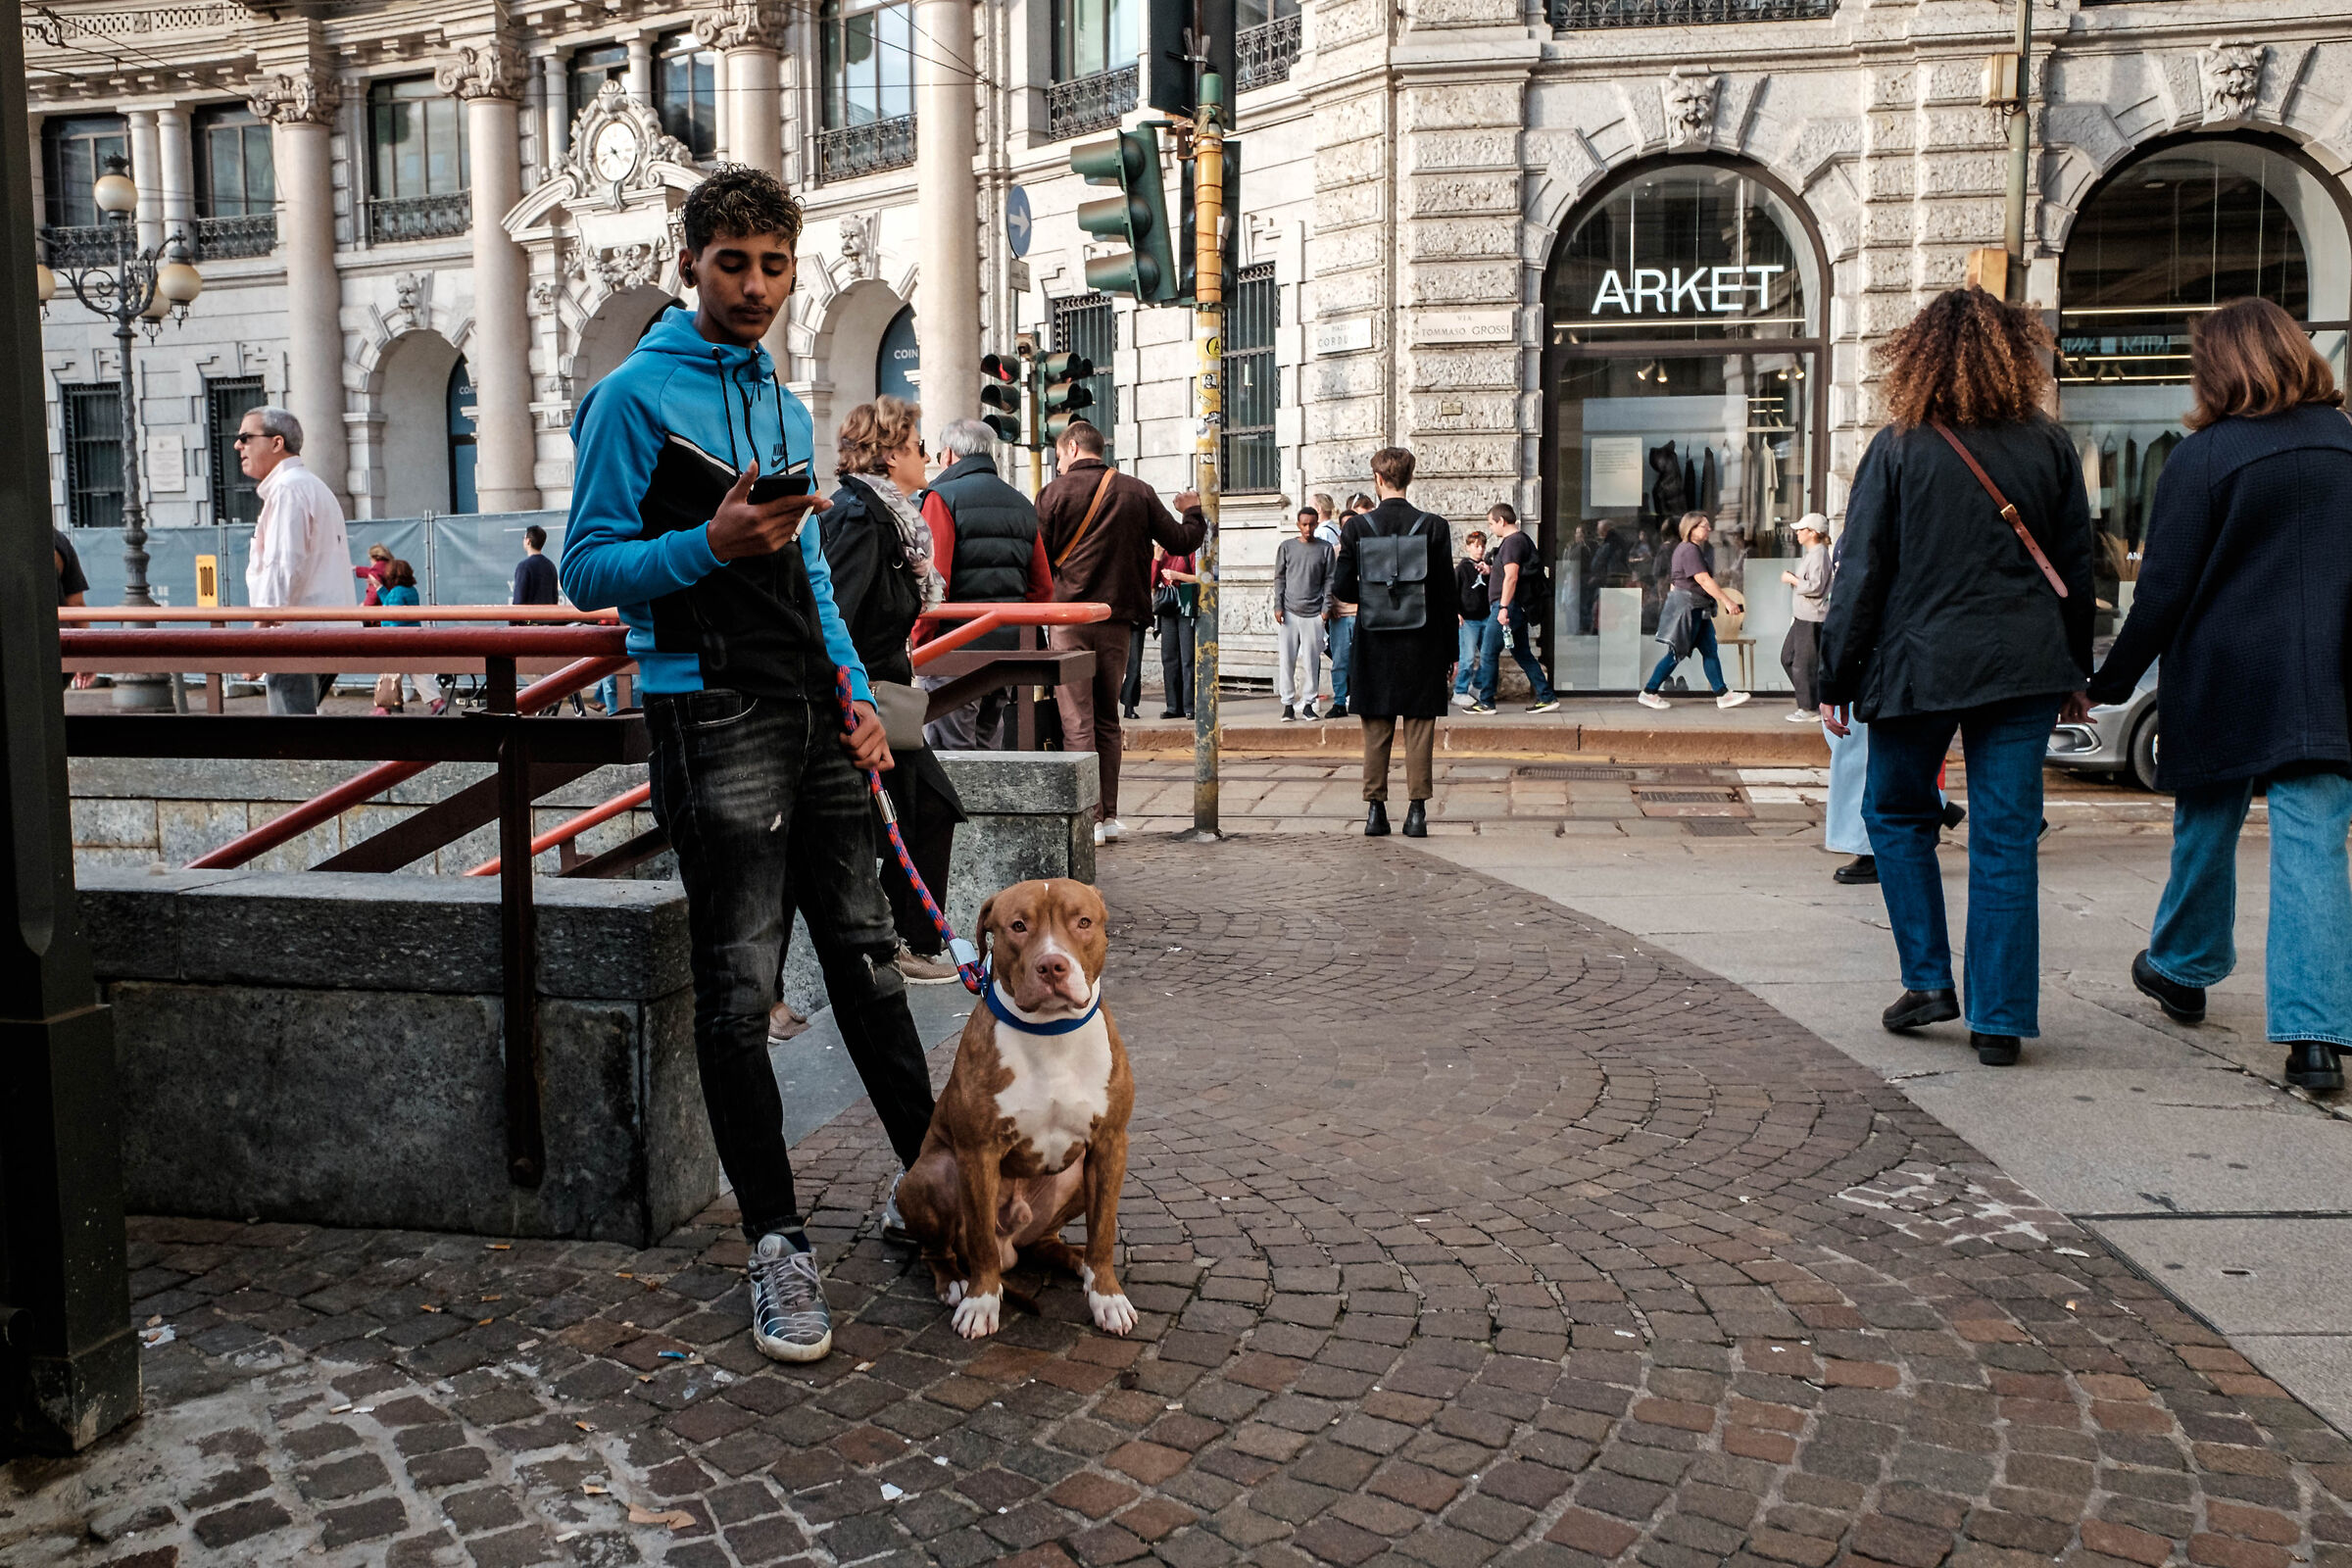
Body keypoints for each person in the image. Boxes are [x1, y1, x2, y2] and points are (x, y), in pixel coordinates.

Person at [561, 166, 934, 1365]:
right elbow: (588, 571)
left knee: (871, 965)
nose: (759, 286)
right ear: (692, 265)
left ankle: (941, 1196)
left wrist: (857, 696)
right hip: (706, 709)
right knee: (735, 994)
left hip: (811, 714)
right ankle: (778, 1248)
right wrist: (704, 541)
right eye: (736, 264)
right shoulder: (628, 398)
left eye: (776, 264)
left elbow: (814, 571)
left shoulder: (781, 397)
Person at [1819, 285, 2095, 1069]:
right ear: (2012, 356)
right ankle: (2001, 1021)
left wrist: (1835, 676)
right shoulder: (2048, 445)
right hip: (2027, 665)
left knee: (1897, 814)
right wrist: (2077, 669)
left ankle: (1928, 979)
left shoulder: (1901, 445)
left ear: (1919, 357)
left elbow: (1861, 573)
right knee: (2007, 838)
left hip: (1920, 664)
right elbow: (2074, 568)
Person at [2090, 297, 2352, 1093]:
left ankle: (2183, 967)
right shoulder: (2348, 447)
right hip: (2331, 674)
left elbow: (2163, 593)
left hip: (2224, 673)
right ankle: (2315, 1038)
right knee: (2316, 840)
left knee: (2207, 821)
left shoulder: (2204, 457)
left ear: (2218, 367)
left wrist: (2102, 684)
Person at [823, 397, 967, 987]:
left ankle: (901, 941)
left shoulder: (889, 518)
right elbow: (841, 616)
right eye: (915, 446)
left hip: (885, 698)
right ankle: (894, 944)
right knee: (905, 817)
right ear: (887, 454)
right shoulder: (861, 519)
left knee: (924, 811)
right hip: (861, 704)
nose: (926, 457)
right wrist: (853, 700)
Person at [1036, 418, 1205, 847]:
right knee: (1108, 717)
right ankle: (1108, 816)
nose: (1058, 466)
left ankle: (1086, 817)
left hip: (1069, 620)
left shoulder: (1054, 493)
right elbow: (1182, 541)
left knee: (1077, 721)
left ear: (1073, 447)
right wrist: (1193, 509)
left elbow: (1037, 558)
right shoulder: (1137, 490)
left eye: (1058, 457)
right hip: (1116, 620)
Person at [1331, 447, 1458, 839]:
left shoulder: (1356, 529)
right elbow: (1445, 595)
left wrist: (1372, 593)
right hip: (1423, 642)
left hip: (1375, 640)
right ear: (1410, 478)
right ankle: (1417, 812)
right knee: (1420, 727)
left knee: (1376, 726)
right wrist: (1451, 653)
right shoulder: (1434, 527)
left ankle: (1375, 811)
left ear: (1378, 480)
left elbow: (1340, 588)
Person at [916, 417, 1051, 751]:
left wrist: (920, 644)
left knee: (950, 753)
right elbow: (1042, 588)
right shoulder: (1020, 502)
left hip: (952, 649)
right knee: (989, 747)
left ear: (948, 454)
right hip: (1005, 652)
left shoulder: (941, 498)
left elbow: (935, 582)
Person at [239, 406, 354, 714]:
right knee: (300, 732)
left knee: (290, 740)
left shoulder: (289, 490)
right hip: (323, 631)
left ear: (277, 443)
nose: (238, 445)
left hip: (295, 636)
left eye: (246, 437)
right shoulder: (311, 486)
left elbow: (282, 569)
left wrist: (258, 640)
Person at [1637, 513, 1751, 710]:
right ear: (1692, 528)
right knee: (1676, 652)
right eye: (1704, 526)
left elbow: (1676, 583)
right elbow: (1703, 579)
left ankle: (1722, 694)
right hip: (1690, 609)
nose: (1709, 529)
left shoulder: (1687, 549)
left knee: (1709, 650)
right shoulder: (1689, 550)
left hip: (1697, 608)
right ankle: (1649, 691)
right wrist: (1727, 601)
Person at [1482, 504, 1558, 713]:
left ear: (1502, 521)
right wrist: (1490, 570)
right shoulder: (1518, 541)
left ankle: (1486, 701)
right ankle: (1547, 696)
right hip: (1514, 607)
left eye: (1491, 523)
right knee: (1523, 653)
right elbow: (1507, 572)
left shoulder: (1513, 542)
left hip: (1507, 606)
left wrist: (1503, 607)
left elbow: (1512, 577)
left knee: (1488, 651)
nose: (1491, 528)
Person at [1273, 506, 1332, 721]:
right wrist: (1277, 605)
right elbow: (1279, 577)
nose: (1308, 528)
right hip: (1289, 611)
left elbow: (1329, 580)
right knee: (1287, 661)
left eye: (1312, 524)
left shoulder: (1324, 548)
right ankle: (1287, 704)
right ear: (1298, 525)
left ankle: (1309, 703)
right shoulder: (1286, 547)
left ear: (1317, 524)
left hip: (1314, 613)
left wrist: (1326, 610)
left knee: (1311, 661)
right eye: (1304, 524)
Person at [1779, 513, 1831, 720]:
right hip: (1803, 616)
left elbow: (1816, 587)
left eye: (1802, 530)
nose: (1797, 533)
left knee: (1803, 663)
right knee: (1789, 658)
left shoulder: (1819, 555)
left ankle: (1810, 708)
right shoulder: (1813, 554)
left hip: (1812, 617)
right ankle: (1812, 701)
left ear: (1813, 533)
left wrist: (1792, 579)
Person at [1321, 493, 1360, 718]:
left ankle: (1359, 698)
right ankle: (1339, 702)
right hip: (1339, 615)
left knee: (1361, 661)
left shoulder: (1367, 550)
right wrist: (1328, 607)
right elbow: (1326, 581)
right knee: (1340, 661)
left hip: (1361, 615)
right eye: (1344, 526)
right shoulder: (1333, 552)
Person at [1152, 544, 1199, 718]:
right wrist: (1157, 558)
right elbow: (1151, 582)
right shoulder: (1162, 553)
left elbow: (1201, 578)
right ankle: (1173, 706)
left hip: (1185, 606)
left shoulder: (1189, 552)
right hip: (1167, 607)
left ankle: (1189, 706)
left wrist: (1177, 576)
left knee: (1187, 658)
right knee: (1169, 657)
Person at [372, 559, 423, 713]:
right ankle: (435, 701)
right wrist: (380, 589)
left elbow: (392, 613)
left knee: (390, 671)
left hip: (397, 637)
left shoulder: (396, 592)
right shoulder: (411, 591)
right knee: (417, 673)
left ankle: (386, 705)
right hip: (413, 634)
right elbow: (393, 603)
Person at [1452, 529, 1494, 710]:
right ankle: (1459, 691)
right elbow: (1453, 592)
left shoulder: (1488, 567)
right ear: (1468, 547)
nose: (1480, 549)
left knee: (1487, 656)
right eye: (1476, 546)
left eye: (1483, 546)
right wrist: (1456, 612)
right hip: (1468, 620)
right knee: (1467, 658)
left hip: (1486, 617)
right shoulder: (1462, 568)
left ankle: (1476, 687)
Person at [513, 524, 560, 606]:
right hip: (549, 616)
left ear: (528, 541)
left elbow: (519, 599)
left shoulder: (524, 566)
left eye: (524, 538)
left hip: (529, 616)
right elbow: (554, 598)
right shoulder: (551, 566)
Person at [355, 542, 392, 606]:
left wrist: (365, 605)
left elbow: (373, 593)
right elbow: (372, 571)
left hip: (379, 609)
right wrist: (356, 568)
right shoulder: (391, 567)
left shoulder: (375, 571)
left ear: (374, 558)